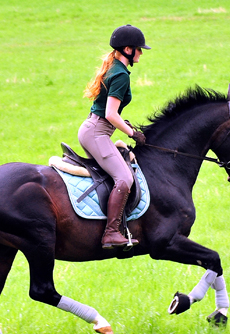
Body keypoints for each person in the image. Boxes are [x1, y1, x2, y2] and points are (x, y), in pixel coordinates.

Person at [78, 24, 150, 249]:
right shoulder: (120, 75)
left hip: (94, 129)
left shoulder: (115, 69)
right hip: (97, 133)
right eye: (139, 49)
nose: (141, 53)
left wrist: (123, 123)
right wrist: (132, 133)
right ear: (128, 49)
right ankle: (110, 233)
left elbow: (108, 113)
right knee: (125, 178)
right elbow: (110, 113)